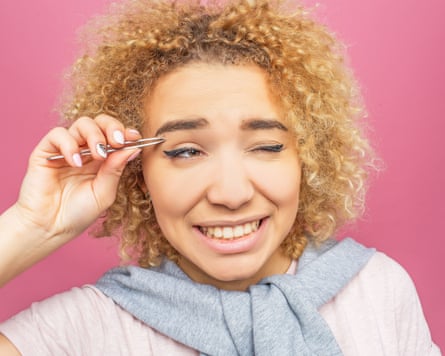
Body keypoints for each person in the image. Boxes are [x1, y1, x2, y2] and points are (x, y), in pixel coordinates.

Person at [0, 0, 440, 354]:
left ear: (308, 158)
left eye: (267, 147)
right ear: (137, 174)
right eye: (187, 151)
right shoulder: (83, 331)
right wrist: (31, 226)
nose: (231, 194)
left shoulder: (377, 291)